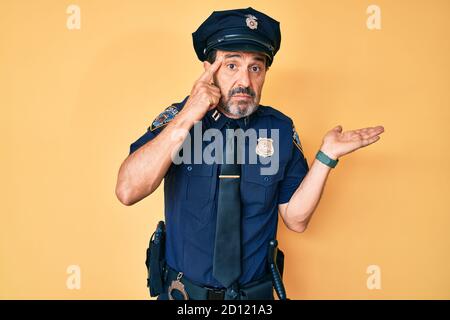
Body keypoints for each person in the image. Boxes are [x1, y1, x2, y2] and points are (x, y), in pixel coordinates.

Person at [115, 7, 384, 300]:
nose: (245, 81)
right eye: (232, 65)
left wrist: (326, 157)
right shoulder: (179, 120)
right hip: (184, 298)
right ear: (209, 69)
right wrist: (189, 113)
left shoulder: (279, 129)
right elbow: (128, 190)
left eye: (255, 67)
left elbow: (296, 219)